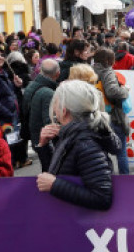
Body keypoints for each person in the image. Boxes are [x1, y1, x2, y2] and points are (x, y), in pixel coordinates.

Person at [35, 81, 120, 209]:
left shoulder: (85, 143)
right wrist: (44, 145)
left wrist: (55, 185)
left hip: (83, 224)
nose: (54, 109)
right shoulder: (72, 135)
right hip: (72, 218)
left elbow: (102, 198)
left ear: (64, 111)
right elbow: (54, 172)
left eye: (56, 104)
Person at [93, 47, 131, 174]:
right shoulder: (107, 72)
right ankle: (125, 180)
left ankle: (106, 178)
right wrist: (125, 90)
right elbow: (112, 91)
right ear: (109, 60)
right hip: (113, 116)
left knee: (102, 151)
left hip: (96, 115)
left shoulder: (90, 71)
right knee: (121, 151)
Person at [23, 58, 61, 171]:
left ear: (40, 70)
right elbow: (49, 121)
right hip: (43, 140)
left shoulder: (32, 85)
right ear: (58, 74)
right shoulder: (48, 93)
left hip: (34, 135)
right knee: (50, 170)